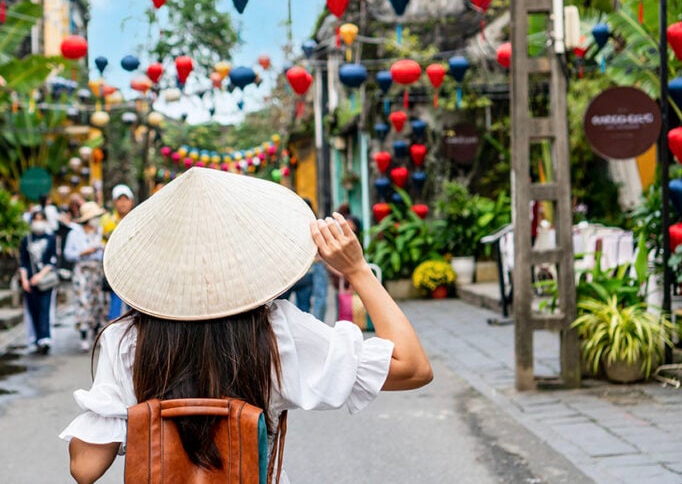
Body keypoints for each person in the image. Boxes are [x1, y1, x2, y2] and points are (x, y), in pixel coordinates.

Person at [59, 168, 433, 483]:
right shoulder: (276, 331)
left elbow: (85, 468)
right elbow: (413, 368)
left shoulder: (125, 340)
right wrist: (357, 270)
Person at [64, 201, 107, 351]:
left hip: (97, 270)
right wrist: (84, 252)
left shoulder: (100, 232)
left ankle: (95, 333)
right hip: (82, 270)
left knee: (97, 303)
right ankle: (83, 336)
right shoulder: (74, 234)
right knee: (83, 303)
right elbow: (68, 254)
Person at [19, 211, 58, 354]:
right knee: (33, 309)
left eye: (41, 219)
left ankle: (44, 338)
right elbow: (22, 261)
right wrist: (24, 280)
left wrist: (40, 276)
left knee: (45, 308)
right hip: (29, 280)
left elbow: (52, 261)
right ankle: (35, 338)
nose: (38, 222)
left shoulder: (51, 238)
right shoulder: (26, 239)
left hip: (45, 280)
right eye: (36, 219)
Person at [100, 184, 134, 320]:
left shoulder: (138, 217)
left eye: (126, 199)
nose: (123, 203)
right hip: (114, 267)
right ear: (114, 202)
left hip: (134, 267)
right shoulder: (106, 220)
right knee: (115, 302)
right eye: (120, 199)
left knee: (135, 304)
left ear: (131, 201)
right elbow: (102, 243)